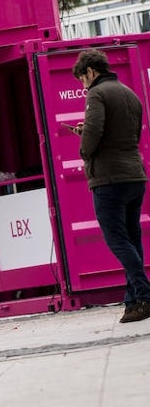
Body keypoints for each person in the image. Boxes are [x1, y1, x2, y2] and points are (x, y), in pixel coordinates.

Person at [72, 48, 150, 323]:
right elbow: (126, 132)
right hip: (135, 174)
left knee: (116, 239)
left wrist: (84, 150)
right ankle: (134, 303)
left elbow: (94, 134)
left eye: (82, 79)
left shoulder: (97, 93)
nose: (83, 85)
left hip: (110, 177)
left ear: (90, 71)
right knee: (131, 238)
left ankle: (145, 293)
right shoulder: (130, 93)